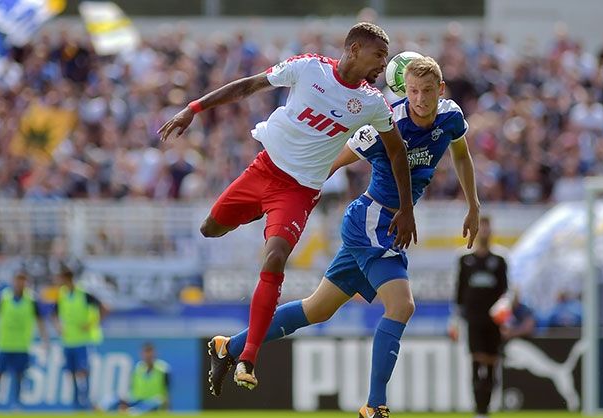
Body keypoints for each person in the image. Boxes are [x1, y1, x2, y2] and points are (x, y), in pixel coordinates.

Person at [208, 56, 480, 418]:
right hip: (370, 221)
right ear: (405, 90)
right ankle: (375, 403)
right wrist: (299, 192)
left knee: (317, 309)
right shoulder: (389, 122)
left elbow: (462, 154)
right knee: (402, 305)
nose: (420, 99)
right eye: (413, 91)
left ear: (441, 91)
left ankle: (229, 346)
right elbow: (339, 158)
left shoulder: (450, 118)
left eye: (428, 91)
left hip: (385, 226)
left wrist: (474, 204)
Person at [159, 22, 417, 389]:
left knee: (275, 257)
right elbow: (249, 85)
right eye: (378, 56)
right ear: (355, 48)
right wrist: (193, 108)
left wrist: (406, 208)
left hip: (297, 192)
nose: (382, 65)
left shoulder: (372, 103)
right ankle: (258, 213)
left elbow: (397, 151)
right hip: (263, 170)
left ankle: (246, 356)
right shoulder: (309, 67)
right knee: (210, 228)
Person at [451, 216, 507, 418]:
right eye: (481, 226)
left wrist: (505, 314)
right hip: (473, 320)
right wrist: (455, 321)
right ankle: (478, 411)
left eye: (486, 226)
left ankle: (486, 410)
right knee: (476, 363)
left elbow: (505, 291)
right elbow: (458, 293)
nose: (484, 230)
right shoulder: (464, 259)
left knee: (492, 365)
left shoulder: (500, 259)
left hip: (493, 321)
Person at [0, 269, 49, 408]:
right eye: (18, 280)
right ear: (13, 281)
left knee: (19, 375)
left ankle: (17, 403)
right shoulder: (4, 298)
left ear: (27, 282)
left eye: (23, 280)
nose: (20, 283)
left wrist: (44, 339)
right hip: (4, 343)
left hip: (22, 345)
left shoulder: (31, 300)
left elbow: (40, 322)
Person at [52, 267, 107, 409]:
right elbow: (54, 314)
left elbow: (104, 307)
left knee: (83, 371)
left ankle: (86, 399)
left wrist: (92, 324)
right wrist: (58, 327)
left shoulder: (83, 294)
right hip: (68, 340)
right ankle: (76, 402)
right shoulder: (62, 295)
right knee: (71, 372)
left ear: (67, 279)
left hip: (83, 340)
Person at [99, 342, 170, 415]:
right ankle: (102, 407)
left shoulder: (163, 369)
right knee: (114, 397)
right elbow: (132, 388)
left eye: (150, 352)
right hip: (137, 399)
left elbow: (167, 393)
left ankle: (133, 411)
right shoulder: (138, 369)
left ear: (154, 354)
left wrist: (166, 408)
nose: (148, 355)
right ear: (142, 354)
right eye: (146, 352)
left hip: (152, 401)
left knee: (155, 402)